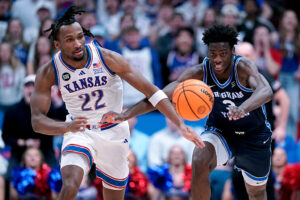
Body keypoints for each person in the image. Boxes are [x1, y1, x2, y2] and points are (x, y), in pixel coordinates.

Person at [30, 6, 203, 200]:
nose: (78, 43)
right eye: (69, 40)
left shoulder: (107, 58)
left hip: (113, 131)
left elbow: (152, 92)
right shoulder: (49, 71)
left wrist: (180, 124)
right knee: (70, 183)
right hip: (80, 130)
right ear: (57, 44)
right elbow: (37, 122)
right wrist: (66, 126)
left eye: (80, 36)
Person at [101, 24, 274, 200]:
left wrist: (243, 108)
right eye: (213, 54)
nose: (217, 60)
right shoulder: (199, 72)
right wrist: (126, 114)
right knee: (199, 158)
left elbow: (266, 91)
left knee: (256, 192)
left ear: (233, 52)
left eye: (223, 54)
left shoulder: (243, 67)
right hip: (221, 131)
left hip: (253, 134)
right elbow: (159, 96)